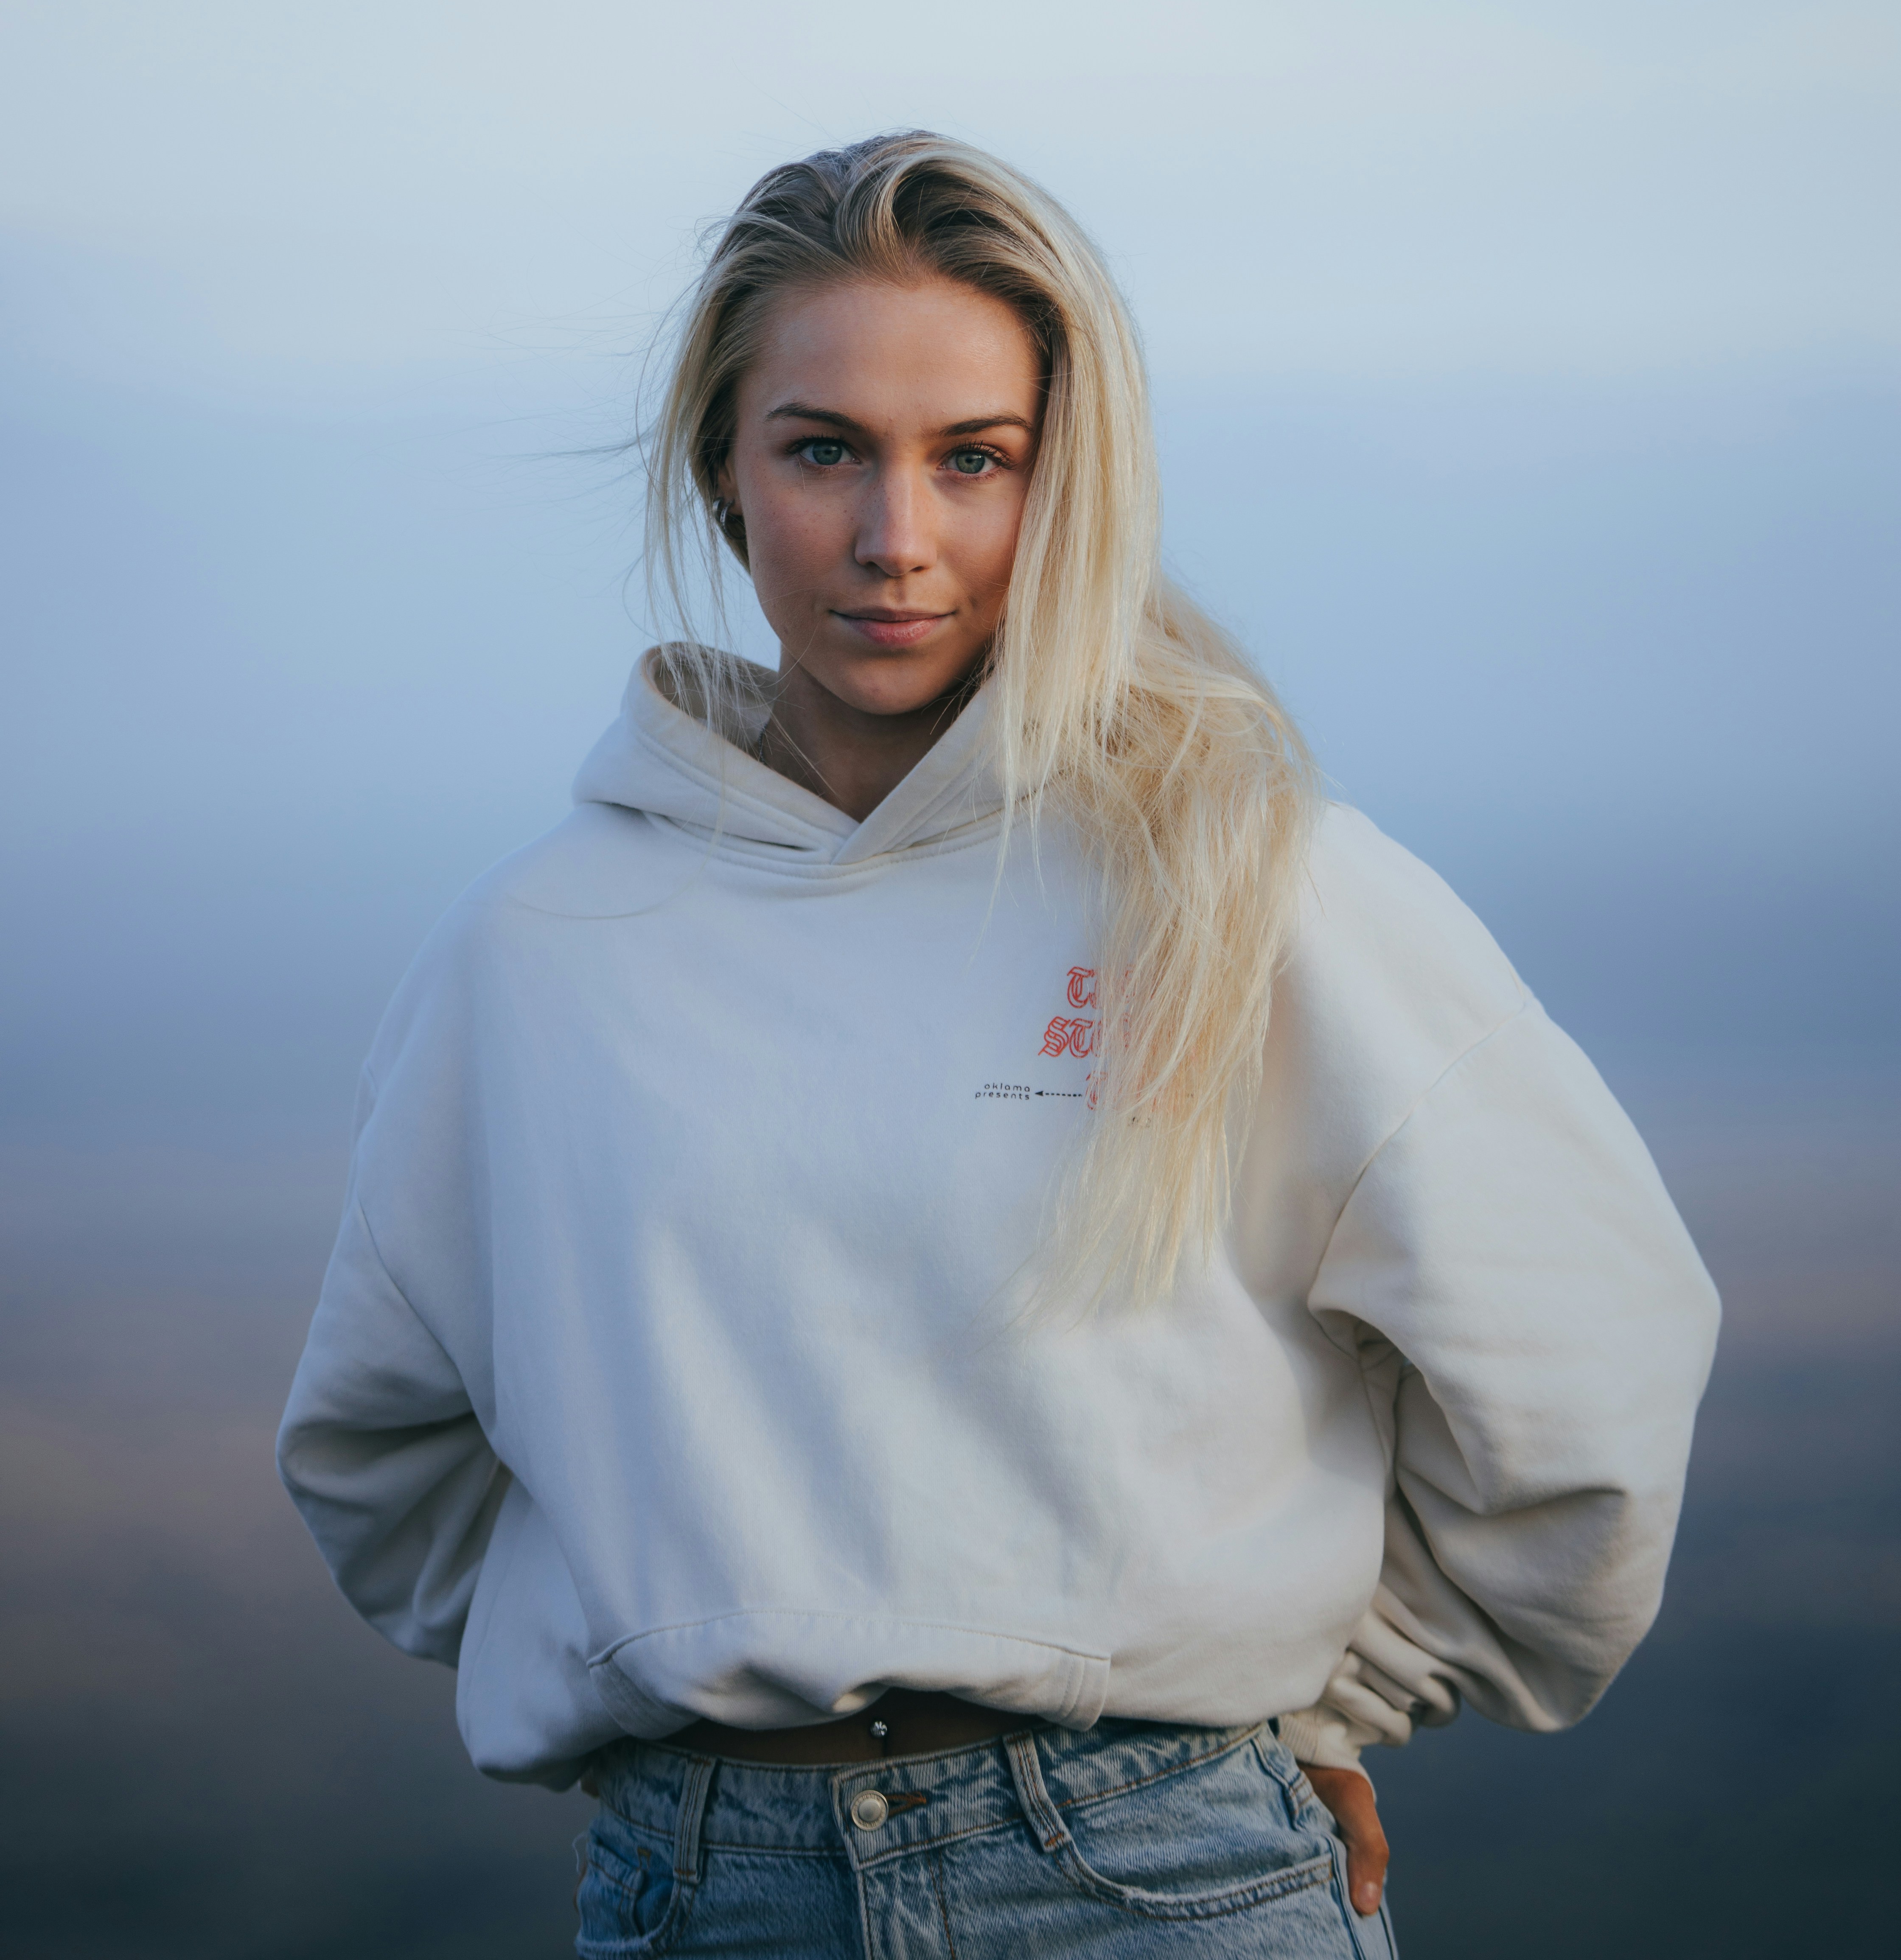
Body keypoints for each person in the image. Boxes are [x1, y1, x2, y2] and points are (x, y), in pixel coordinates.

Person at [279, 133, 1720, 1958]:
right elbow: (384, 1454)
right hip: (706, 1894)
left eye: (976, 458)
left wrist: (1317, 1704)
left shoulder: (1252, 883)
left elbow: (1588, 1352)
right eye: (824, 449)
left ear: (1070, 481)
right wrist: (666, 1628)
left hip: (1159, 1878)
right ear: (722, 471)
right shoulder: (537, 952)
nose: (898, 538)